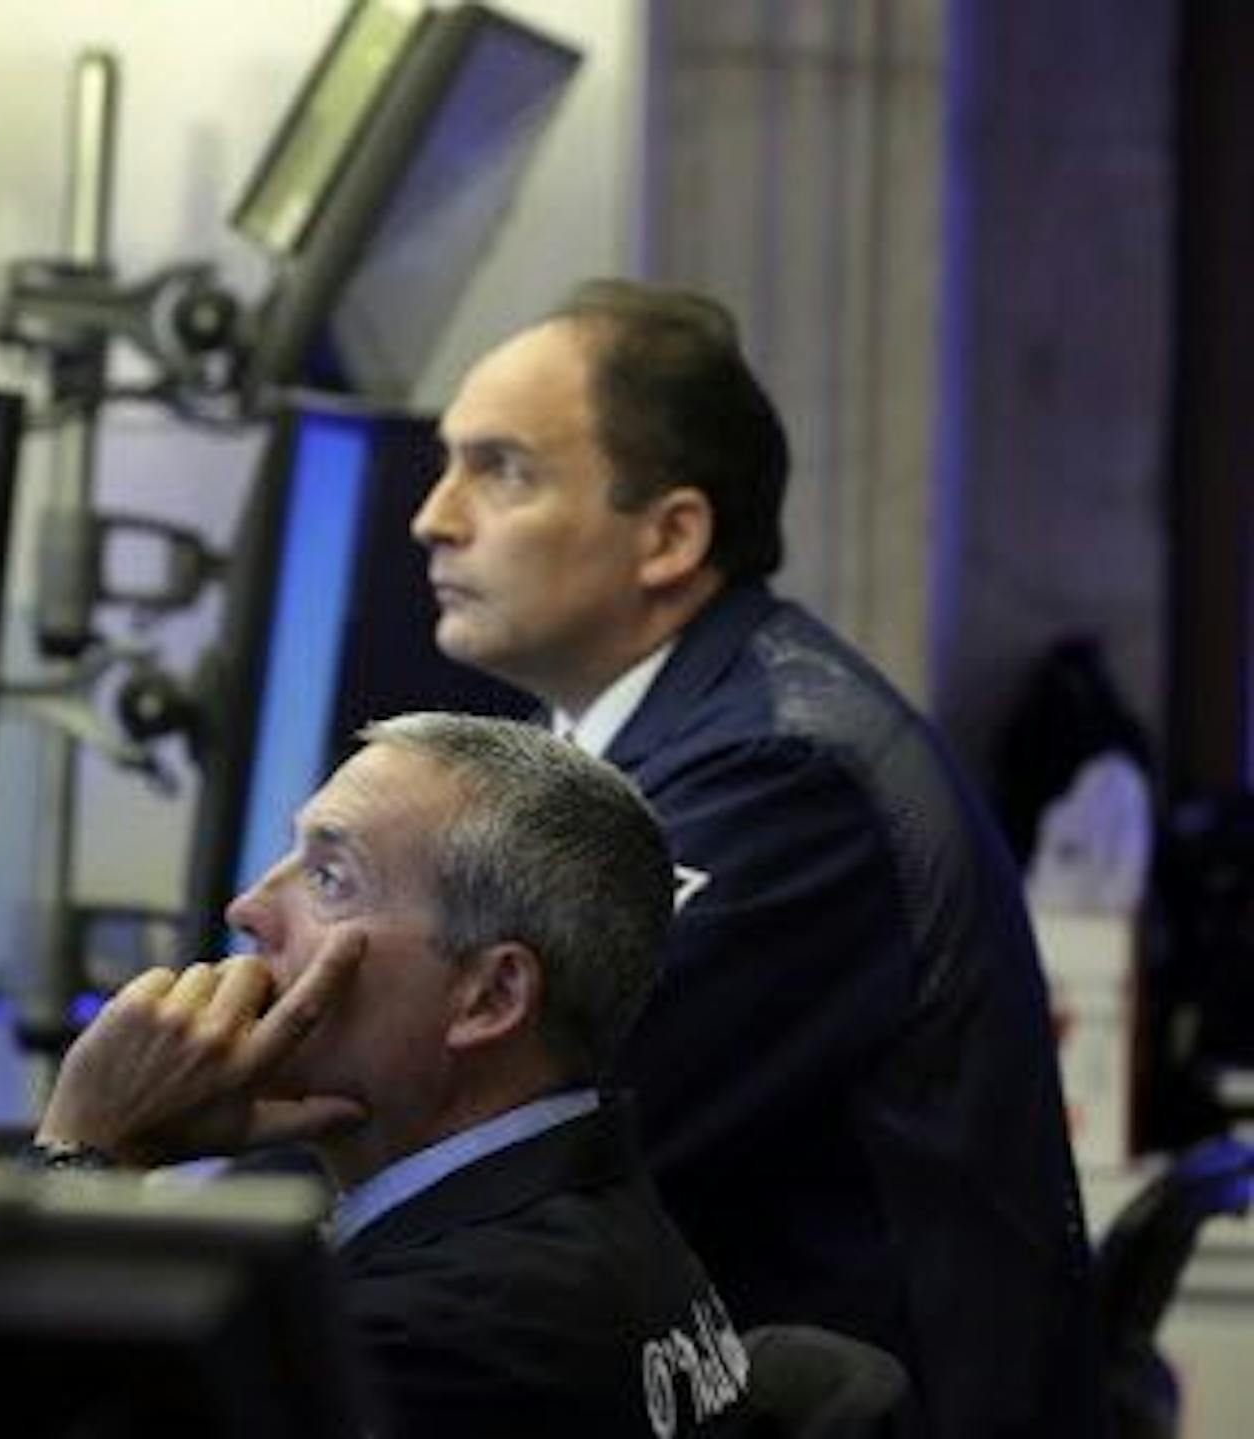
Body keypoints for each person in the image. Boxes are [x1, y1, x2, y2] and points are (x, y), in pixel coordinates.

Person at [410, 278, 1098, 1437]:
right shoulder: (615, 744)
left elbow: (512, 1133)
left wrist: (206, 1162)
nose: (435, 516)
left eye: (503, 470)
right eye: (447, 463)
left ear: (671, 536)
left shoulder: (779, 774)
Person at [37, 712, 754, 1438]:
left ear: (489, 997)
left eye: (329, 877)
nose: (248, 908)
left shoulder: (439, 1335)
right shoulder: (585, 1220)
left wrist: (83, 1146)